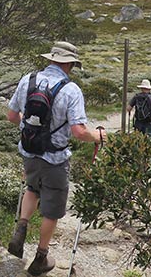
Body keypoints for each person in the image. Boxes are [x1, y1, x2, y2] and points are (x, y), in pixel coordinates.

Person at [6, 41, 105, 276]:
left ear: (51, 59)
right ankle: (41, 258)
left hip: (29, 150)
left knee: (32, 188)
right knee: (51, 210)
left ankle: (22, 226)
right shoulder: (71, 90)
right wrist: (99, 136)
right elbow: (79, 132)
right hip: (55, 158)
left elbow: (11, 115)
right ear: (69, 64)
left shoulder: (27, 80)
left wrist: (31, 128)